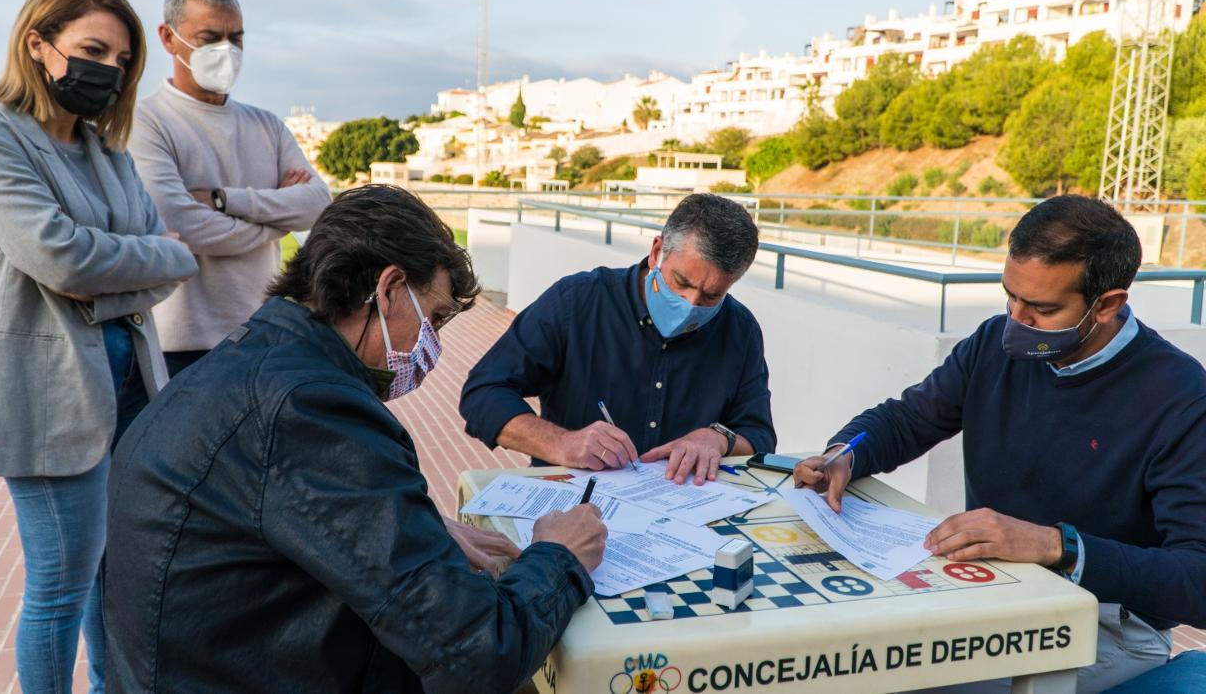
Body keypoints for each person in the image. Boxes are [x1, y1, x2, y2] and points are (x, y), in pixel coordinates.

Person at [104, 185, 607, 693]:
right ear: (389, 289)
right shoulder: (310, 408)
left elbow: (286, 509)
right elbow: (477, 652)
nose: (432, 346)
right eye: (434, 320)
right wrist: (560, 556)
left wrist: (405, 528)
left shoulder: (255, 360)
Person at [793, 195, 1206, 694]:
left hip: (1106, 621)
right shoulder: (994, 342)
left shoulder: (1181, 398)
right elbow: (910, 417)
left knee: (896, 680)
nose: (1016, 319)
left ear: (1107, 305)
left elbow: (1196, 576)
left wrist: (1055, 546)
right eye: (1010, 296)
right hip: (989, 590)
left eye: (1042, 309)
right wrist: (846, 454)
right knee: (837, 652)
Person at [0, 0, 198, 693]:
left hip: (134, 390)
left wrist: (118, 267)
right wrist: (139, 259)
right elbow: (62, 259)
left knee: (112, 573)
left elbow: (170, 260)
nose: (109, 71)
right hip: (49, 397)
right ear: (38, 44)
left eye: (121, 60)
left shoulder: (108, 151)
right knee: (60, 586)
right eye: (93, 50)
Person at [460, 193, 775, 485]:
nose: (690, 304)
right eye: (681, 282)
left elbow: (758, 434)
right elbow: (483, 393)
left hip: (685, 510)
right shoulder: (577, 302)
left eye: (711, 296)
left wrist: (719, 439)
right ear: (657, 252)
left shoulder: (741, 330)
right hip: (571, 506)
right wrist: (562, 443)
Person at [129, 0, 331, 376]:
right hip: (180, 345)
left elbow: (318, 205)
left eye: (235, 39)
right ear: (168, 38)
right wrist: (277, 220)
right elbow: (179, 224)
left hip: (263, 335)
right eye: (209, 38)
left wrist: (224, 200)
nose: (226, 50)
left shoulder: (267, 125)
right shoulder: (145, 122)